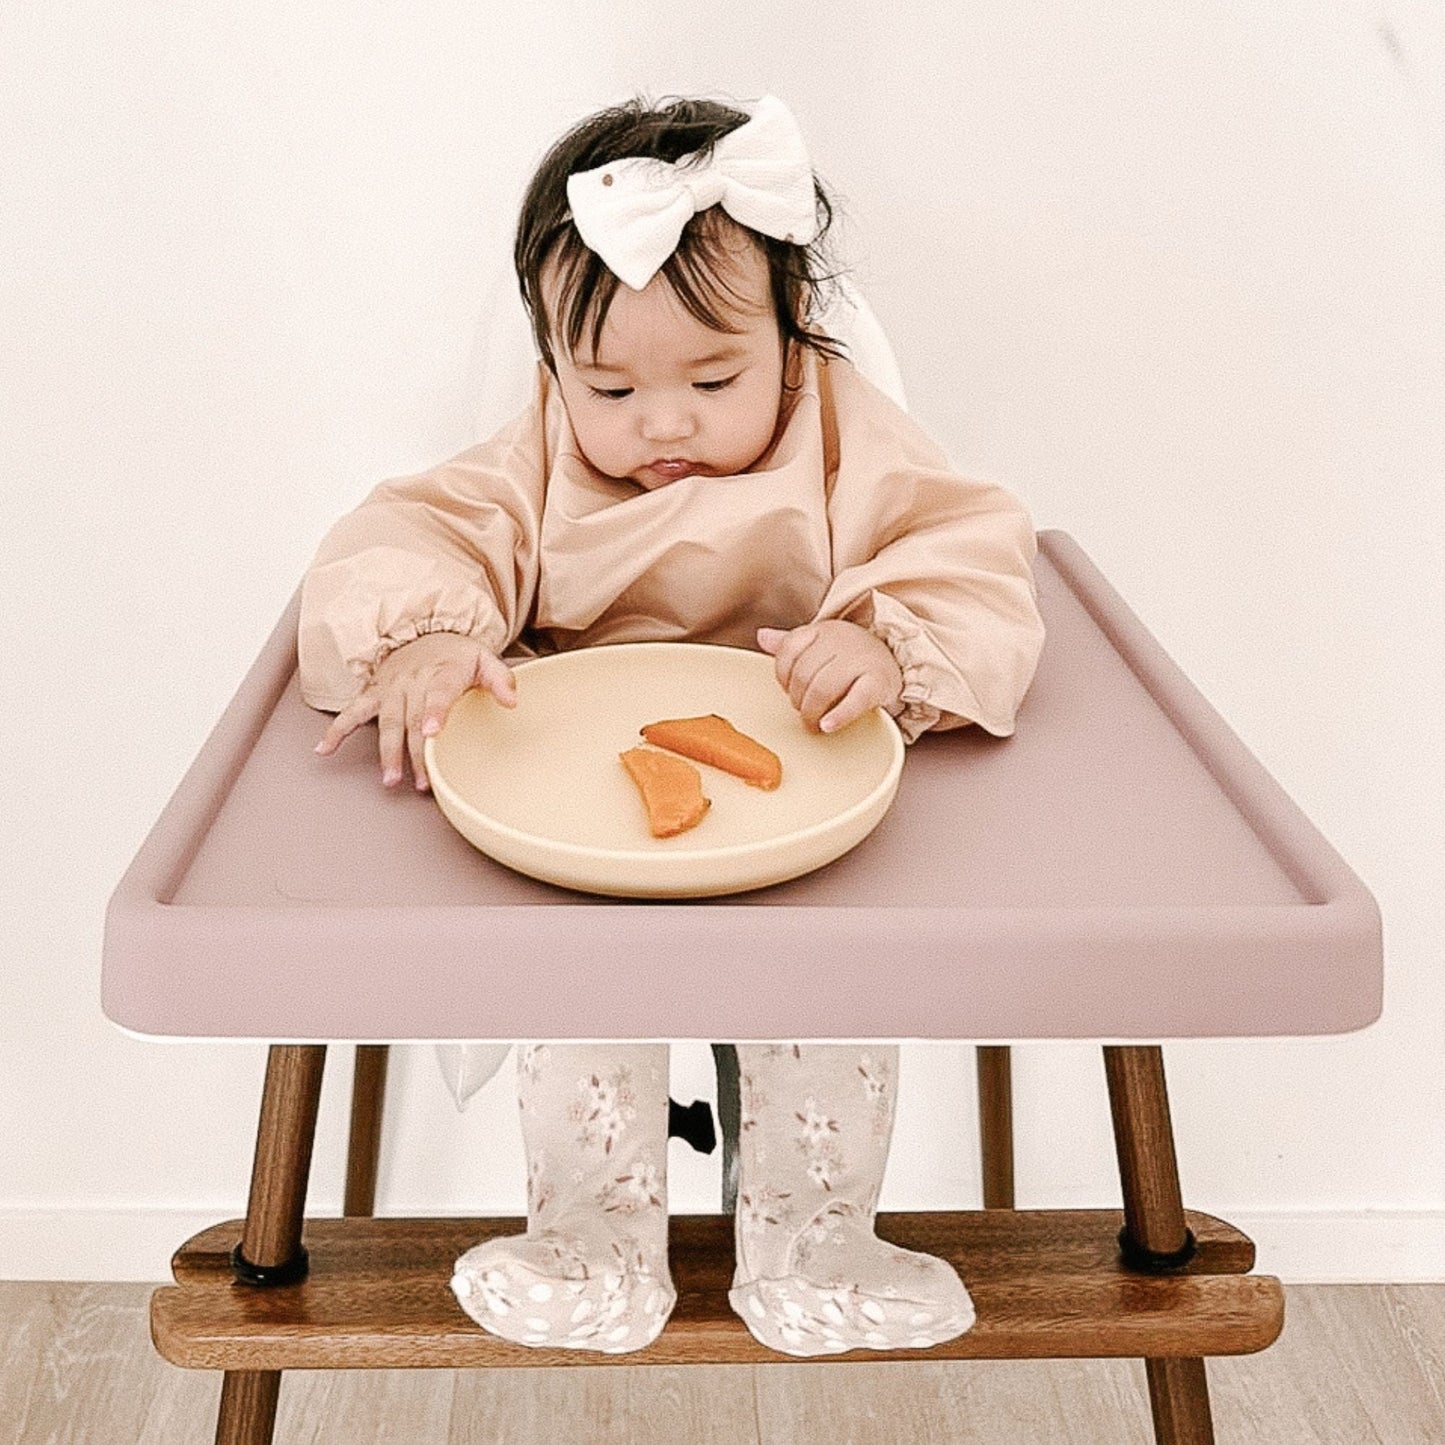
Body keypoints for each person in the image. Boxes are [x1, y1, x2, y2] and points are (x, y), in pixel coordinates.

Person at [299, 94, 1045, 1357]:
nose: (663, 423)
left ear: (791, 341)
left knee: (827, 992)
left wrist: (881, 637)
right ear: (555, 369)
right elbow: (405, 532)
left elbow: (968, 549)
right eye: (612, 384)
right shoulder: (538, 454)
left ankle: (816, 1242)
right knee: (578, 988)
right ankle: (590, 1245)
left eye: (712, 378)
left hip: (801, 795)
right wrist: (426, 631)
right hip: (583, 809)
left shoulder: (836, 428)